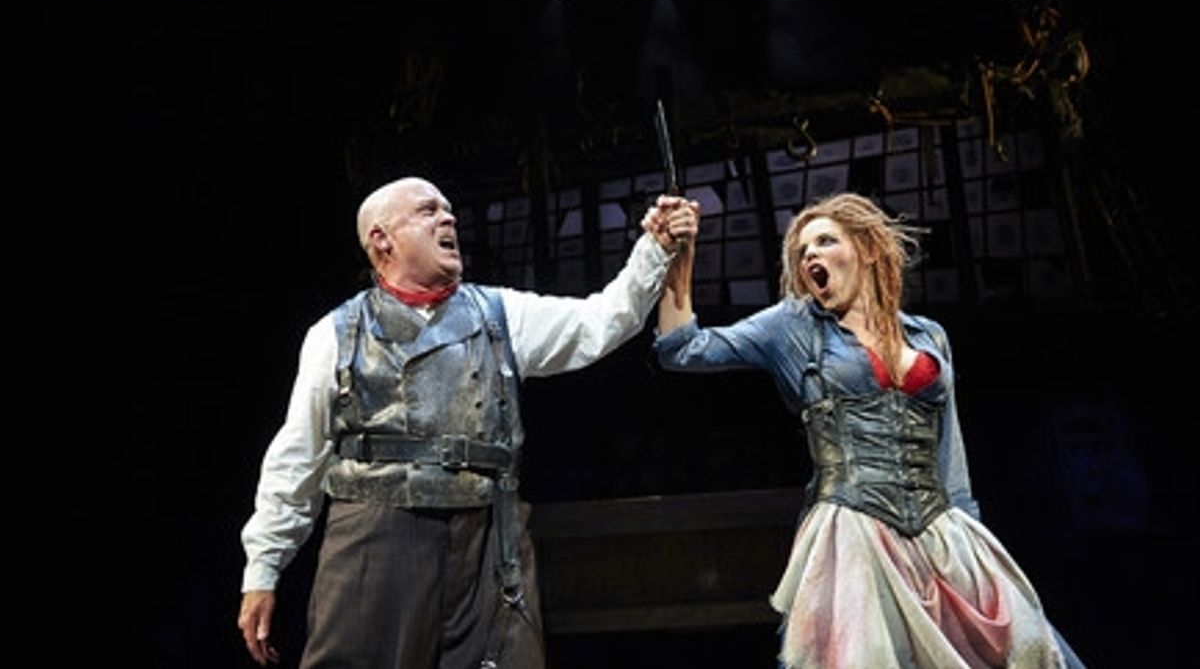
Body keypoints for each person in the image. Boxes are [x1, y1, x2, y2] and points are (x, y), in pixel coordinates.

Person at [238, 176, 699, 668]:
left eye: (449, 209)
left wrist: (655, 247)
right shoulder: (336, 335)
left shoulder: (500, 314)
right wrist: (263, 570)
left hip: (486, 540)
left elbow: (600, 321)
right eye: (428, 210)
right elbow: (297, 457)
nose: (448, 218)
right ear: (381, 240)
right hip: (377, 541)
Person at [653, 191, 1086, 669]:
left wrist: (971, 540)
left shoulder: (928, 335)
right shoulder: (794, 327)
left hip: (940, 530)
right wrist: (681, 257)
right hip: (855, 531)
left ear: (867, 248)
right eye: (801, 253)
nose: (809, 256)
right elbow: (683, 349)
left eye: (824, 241)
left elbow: (949, 452)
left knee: (1028, 650)